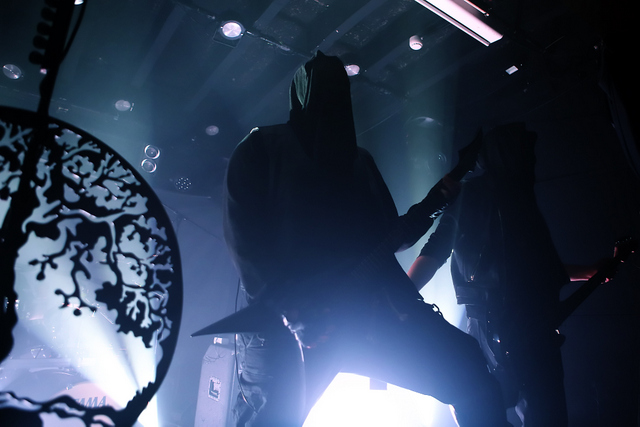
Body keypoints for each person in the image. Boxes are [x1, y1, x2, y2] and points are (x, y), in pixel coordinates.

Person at [223, 51, 510, 427]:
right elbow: (245, 243)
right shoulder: (260, 148)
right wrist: (292, 309)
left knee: (468, 370)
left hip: (369, 315)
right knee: (271, 419)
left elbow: (392, 238)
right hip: (292, 327)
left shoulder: (359, 162)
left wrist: (436, 201)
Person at [408, 123, 581, 427]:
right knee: (510, 405)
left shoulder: (515, 199)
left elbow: (539, 269)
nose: (531, 161)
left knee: (502, 405)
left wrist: (399, 295)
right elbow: (436, 250)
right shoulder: (482, 196)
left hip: (517, 325)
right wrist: (399, 296)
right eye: (525, 153)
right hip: (504, 324)